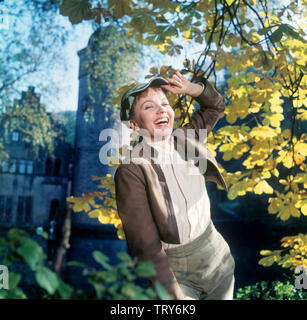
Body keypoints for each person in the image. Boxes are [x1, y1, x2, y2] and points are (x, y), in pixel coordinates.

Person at [114, 71, 235, 300]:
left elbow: (215, 107)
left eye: (164, 103)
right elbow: (145, 245)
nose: (161, 110)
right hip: (177, 271)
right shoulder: (132, 170)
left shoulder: (187, 138)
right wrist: (173, 294)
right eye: (149, 107)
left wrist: (192, 89)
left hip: (217, 256)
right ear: (134, 123)